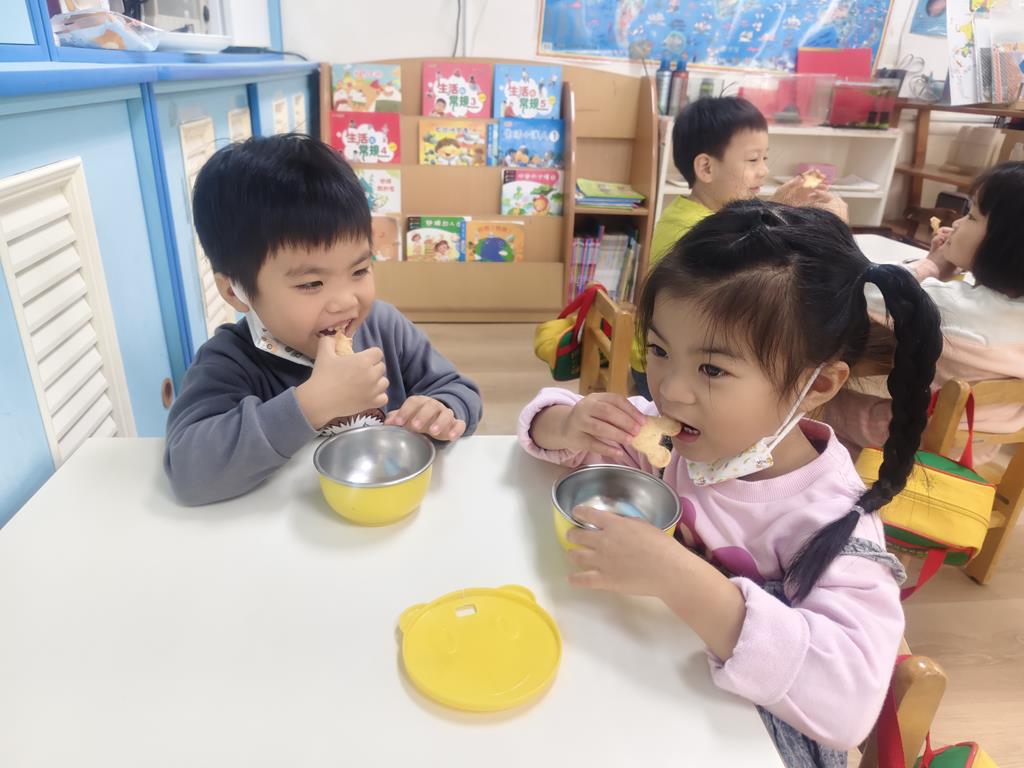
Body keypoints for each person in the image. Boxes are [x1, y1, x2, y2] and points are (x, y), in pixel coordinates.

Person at [519, 200, 942, 764]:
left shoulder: (834, 526)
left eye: (713, 369)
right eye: (661, 351)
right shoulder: (685, 438)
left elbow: (848, 707)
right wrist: (568, 422)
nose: (670, 390)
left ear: (817, 386)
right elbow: (552, 434)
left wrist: (679, 576)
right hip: (655, 694)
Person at [165, 134, 482, 505]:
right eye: (311, 283)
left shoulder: (384, 327)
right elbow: (189, 471)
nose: (346, 301)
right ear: (236, 292)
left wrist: (441, 410)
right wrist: (309, 405)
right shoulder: (230, 360)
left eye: (360, 270)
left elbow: (459, 390)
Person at [631, 97, 847, 397]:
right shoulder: (693, 228)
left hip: (681, 352)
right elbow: (757, 268)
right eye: (753, 160)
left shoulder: (691, 212)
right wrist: (830, 226)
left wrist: (775, 208)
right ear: (706, 167)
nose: (763, 171)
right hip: (665, 366)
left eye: (765, 159)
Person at [826, 161, 1024, 459]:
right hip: (979, 447)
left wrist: (932, 265)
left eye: (971, 216)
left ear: (1004, 246)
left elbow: (865, 290)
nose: (957, 223)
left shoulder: (951, 306)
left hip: (912, 438)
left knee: (819, 397)